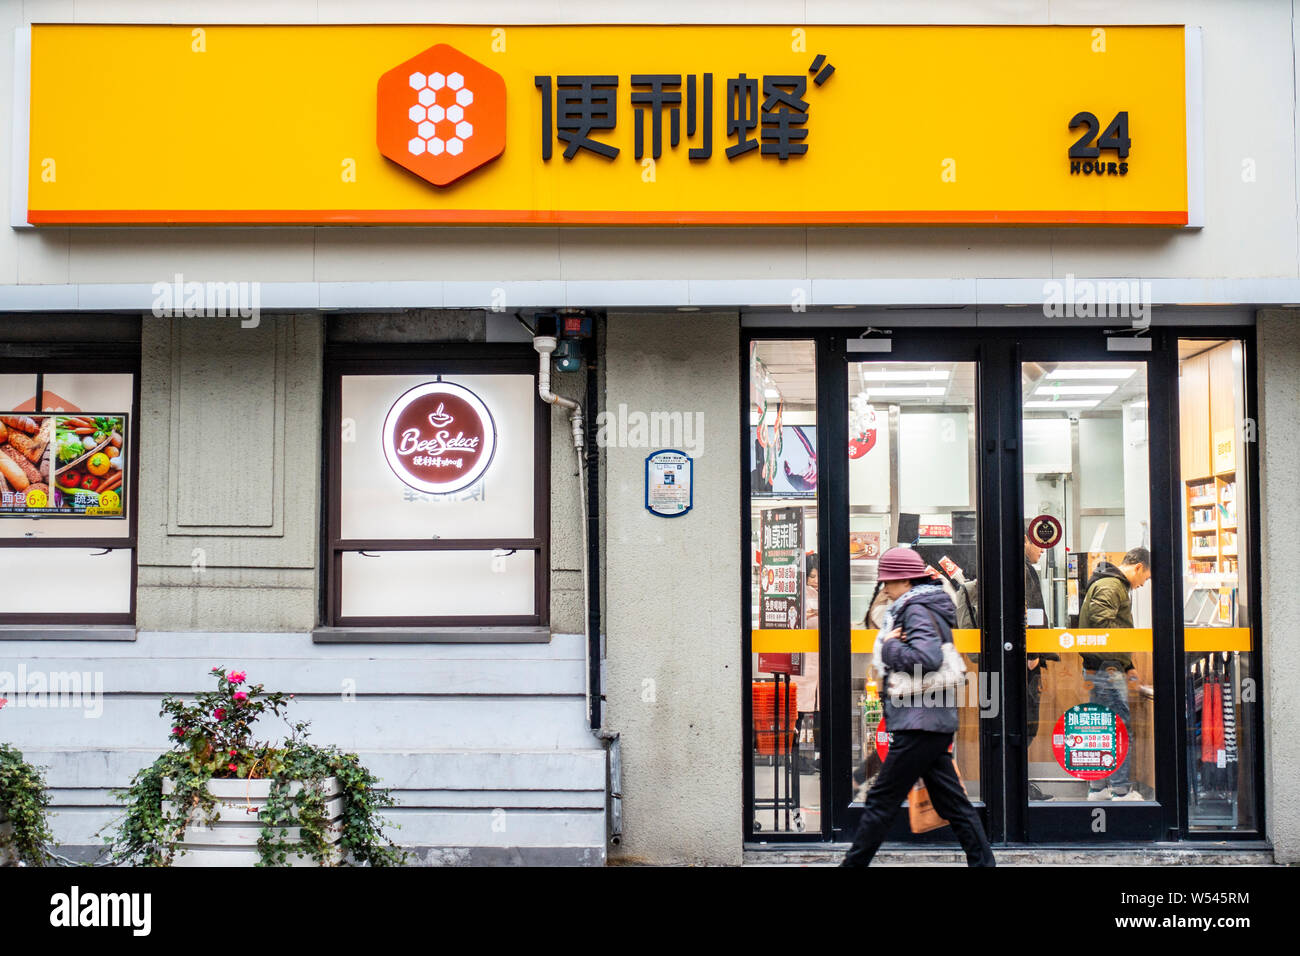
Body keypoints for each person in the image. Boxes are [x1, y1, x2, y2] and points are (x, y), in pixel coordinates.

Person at [841, 547, 995, 867]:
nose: (885, 588)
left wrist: (890, 646)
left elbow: (927, 659)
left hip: (919, 720)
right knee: (953, 804)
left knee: (882, 799)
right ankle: (984, 864)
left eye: (890, 582)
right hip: (929, 719)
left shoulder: (915, 610)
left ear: (907, 581)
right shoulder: (922, 605)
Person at [1077, 547, 1152, 801]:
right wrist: (1119, 660)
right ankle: (1120, 790)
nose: (1143, 585)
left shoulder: (1111, 584)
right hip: (1106, 668)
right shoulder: (1112, 586)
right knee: (1118, 727)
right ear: (1139, 567)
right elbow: (1103, 628)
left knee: (1100, 726)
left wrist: (1128, 664)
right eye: (1146, 578)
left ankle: (1098, 788)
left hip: (1103, 666)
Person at [1024, 529, 1059, 801]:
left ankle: (1019, 783)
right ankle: (1018, 784)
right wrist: (1033, 651)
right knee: (1027, 721)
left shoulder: (1024, 568)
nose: (1042, 549)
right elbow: (1029, 612)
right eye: (1038, 543)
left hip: (1027, 658)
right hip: (1026, 662)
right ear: (1025, 540)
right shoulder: (1023, 571)